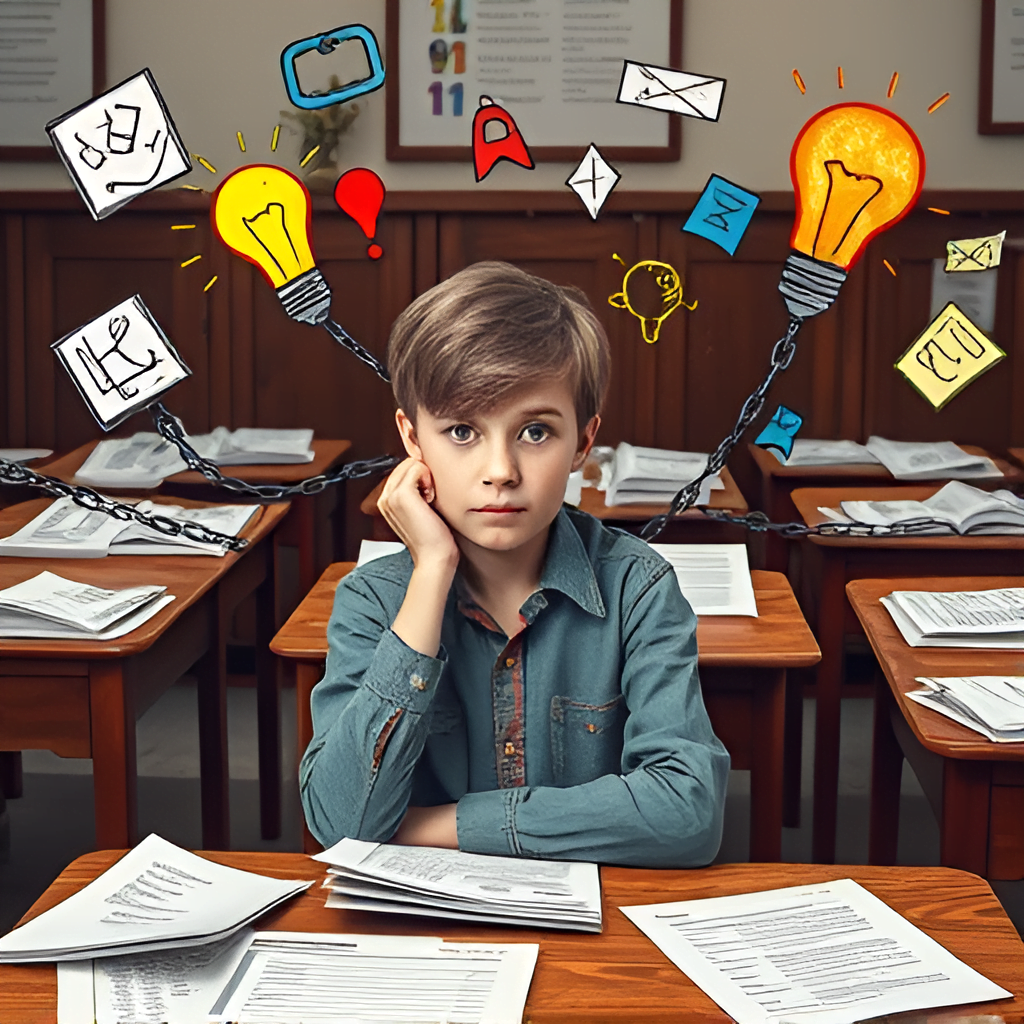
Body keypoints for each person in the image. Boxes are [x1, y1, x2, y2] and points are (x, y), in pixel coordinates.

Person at [300, 261, 729, 867]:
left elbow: (687, 813)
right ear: (412, 439)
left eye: (533, 431)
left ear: (583, 442)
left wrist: (432, 827)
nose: (500, 469)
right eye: (460, 431)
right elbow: (342, 818)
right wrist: (430, 573)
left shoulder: (638, 587)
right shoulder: (373, 600)